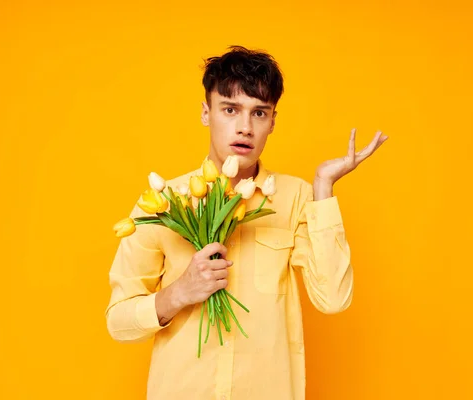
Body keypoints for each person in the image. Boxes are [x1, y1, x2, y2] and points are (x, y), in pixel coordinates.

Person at [105, 45, 388, 400]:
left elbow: (332, 299)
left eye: (259, 113)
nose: (244, 127)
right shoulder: (163, 203)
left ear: (273, 121)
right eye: (230, 109)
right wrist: (179, 293)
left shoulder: (296, 198)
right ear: (206, 113)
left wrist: (323, 188)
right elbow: (118, 322)